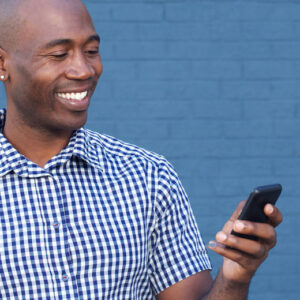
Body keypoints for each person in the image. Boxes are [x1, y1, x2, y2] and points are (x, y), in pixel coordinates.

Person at [0, 0, 282, 299]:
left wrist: (235, 276)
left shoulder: (148, 177)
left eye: (92, 51)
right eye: (59, 54)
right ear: (3, 65)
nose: (84, 70)